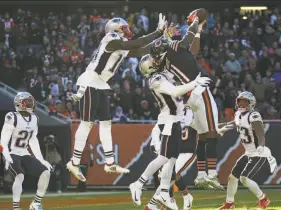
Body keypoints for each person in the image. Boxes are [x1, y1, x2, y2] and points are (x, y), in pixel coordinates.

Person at [67, 14, 167, 182]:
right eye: (124, 28)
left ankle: (110, 162)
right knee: (87, 123)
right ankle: (74, 162)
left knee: (106, 124)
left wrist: (164, 38)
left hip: (100, 83)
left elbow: (141, 50)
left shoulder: (121, 43)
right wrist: (157, 32)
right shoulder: (111, 39)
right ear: (114, 30)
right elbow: (136, 44)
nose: (128, 30)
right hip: (90, 80)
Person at [149, 12, 222, 190]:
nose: (176, 28)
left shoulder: (166, 58)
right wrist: (195, 23)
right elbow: (186, 41)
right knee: (212, 132)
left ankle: (202, 175)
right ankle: (212, 174)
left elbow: (192, 51)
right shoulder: (172, 47)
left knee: (202, 136)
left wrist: (198, 31)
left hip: (187, 96)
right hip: (198, 88)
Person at [129, 54, 211, 210]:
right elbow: (174, 91)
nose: (157, 61)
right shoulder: (155, 79)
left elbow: (177, 68)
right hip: (169, 120)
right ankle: (138, 183)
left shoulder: (164, 73)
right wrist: (194, 83)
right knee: (164, 158)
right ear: (150, 67)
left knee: (171, 159)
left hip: (176, 120)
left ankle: (165, 192)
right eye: (154, 61)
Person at [217, 91, 277, 209]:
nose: (241, 104)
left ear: (251, 103)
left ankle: (263, 199)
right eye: (240, 102)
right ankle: (229, 203)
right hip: (248, 153)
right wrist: (222, 129)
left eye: (245, 102)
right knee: (232, 177)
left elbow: (260, 132)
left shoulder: (254, 115)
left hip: (258, 153)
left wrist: (261, 145)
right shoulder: (238, 115)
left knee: (244, 178)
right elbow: (234, 124)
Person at [0, 92, 52, 210]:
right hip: (12, 152)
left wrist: (41, 159)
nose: (31, 104)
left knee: (46, 173)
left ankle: (36, 203)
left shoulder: (34, 118)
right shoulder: (12, 116)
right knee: (20, 176)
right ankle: (16, 207)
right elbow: (4, 138)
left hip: (25, 152)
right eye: (28, 102)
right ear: (19, 104)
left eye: (31, 101)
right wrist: (6, 154)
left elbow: (33, 141)